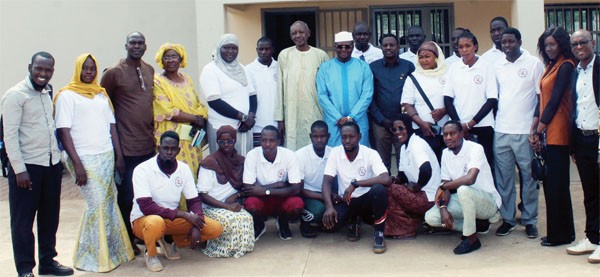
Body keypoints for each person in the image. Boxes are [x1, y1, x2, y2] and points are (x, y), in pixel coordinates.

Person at [54, 53, 134, 272]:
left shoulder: (101, 95)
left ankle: (114, 252)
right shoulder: (67, 95)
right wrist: (76, 163)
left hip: (106, 155)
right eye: (85, 68)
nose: (88, 72)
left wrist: (119, 157)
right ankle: (92, 258)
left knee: (107, 205)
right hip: (83, 157)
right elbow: (63, 131)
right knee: (96, 204)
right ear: (78, 69)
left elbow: (111, 127)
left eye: (92, 69)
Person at [2, 52, 74, 277]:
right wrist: (19, 170)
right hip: (27, 168)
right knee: (23, 222)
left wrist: (59, 161)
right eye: (39, 69)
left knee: (50, 217)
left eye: (48, 70)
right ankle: (25, 269)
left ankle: (47, 262)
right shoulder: (15, 95)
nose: (43, 74)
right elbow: (9, 136)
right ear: (30, 67)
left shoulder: (47, 92)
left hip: (51, 165)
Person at [130, 131, 223, 272]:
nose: (169, 152)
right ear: (158, 148)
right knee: (155, 222)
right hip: (143, 220)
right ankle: (151, 254)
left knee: (215, 229)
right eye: (165, 148)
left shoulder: (183, 169)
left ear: (178, 150)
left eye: (173, 149)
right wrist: (185, 215)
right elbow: (146, 206)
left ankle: (169, 241)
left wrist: (196, 224)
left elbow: (194, 201)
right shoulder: (142, 170)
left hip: (170, 219)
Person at [100, 32, 155, 254]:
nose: (137, 46)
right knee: (126, 197)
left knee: (145, 196)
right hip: (126, 148)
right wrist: (117, 153)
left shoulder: (149, 70)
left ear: (146, 46)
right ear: (125, 45)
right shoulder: (113, 73)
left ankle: (141, 235)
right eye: (133, 42)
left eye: (141, 42)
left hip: (148, 146)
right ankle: (125, 243)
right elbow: (104, 111)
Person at [493, 28, 544, 239]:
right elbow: (495, 98)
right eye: (503, 42)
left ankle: (530, 220)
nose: (506, 45)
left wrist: (535, 129)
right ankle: (508, 219)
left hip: (525, 131)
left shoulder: (533, 63)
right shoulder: (498, 66)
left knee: (529, 177)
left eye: (511, 41)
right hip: (501, 130)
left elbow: (541, 99)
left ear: (519, 41)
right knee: (504, 180)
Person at [424, 121, 502, 255]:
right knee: (431, 217)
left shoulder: (475, 148)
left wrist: (444, 186)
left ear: (462, 134)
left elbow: (470, 179)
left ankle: (471, 238)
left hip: (487, 202)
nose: (448, 137)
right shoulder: (445, 153)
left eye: (452, 133)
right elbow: (445, 185)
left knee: (463, 189)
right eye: (445, 134)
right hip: (465, 201)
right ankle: (476, 225)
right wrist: (443, 209)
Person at [530, 26, 576, 247]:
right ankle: (560, 232)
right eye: (546, 45)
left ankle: (562, 235)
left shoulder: (566, 66)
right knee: (550, 185)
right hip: (547, 130)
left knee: (557, 185)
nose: (548, 48)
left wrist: (539, 130)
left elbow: (556, 100)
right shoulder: (551, 66)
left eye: (552, 44)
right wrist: (535, 128)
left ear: (562, 44)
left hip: (558, 132)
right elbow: (542, 101)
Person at [322, 121, 390, 254]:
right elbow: (326, 182)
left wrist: (356, 184)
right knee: (329, 226)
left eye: (351, 137)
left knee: (379, 189)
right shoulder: (335, 153)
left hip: (367, 200)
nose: (347, 140)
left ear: (359, 136)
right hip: (347, 201)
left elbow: (385, 178)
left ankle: (379, 233)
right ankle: (354, 220)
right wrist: (329, 207)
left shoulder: (370, 153)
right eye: (344, 137)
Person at [566, 29, 599, 263]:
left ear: (593, 43)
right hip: (582, 139)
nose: (579, 47)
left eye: (583, 42)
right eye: (575, 44)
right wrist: (574, 146)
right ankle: (593, 238)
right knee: (590, 193)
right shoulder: (574, 72)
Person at [197, 125, 254, 258]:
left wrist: (237, 195)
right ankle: (220, 249)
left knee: (247, 218)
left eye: (230, 141)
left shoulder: (240, 161)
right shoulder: (210, 162)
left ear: (235, 141)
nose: (226, 144)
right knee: (231, 221)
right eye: (222, 142)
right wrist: (227, 206)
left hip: (230, 206)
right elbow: (202, 195)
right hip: (210, 207)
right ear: (217, 142)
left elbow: (245, 187)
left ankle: (238, 248)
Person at [443, 31, 497, 170]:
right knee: (462, 167)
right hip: (459, 129)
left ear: (475, 46)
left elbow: (491, 99)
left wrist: (471, 123)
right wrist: (459, 125)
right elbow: (447, 98)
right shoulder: (454, 68)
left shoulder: (487, 66)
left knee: (484, 166)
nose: (464, 50)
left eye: (468, 45)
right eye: (461, 47)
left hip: (483, 125)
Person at [153, 43, 208, 177]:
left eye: (174, 56)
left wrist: (201, 117)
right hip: (170, 137)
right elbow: (167, 110)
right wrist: (196, 118)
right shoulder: (157, 82)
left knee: (192, 171)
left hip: (191, 135)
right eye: (167, 57)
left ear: (181, 59)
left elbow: (197, 103)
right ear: (161, 60)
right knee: (173, 173)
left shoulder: (187, 79)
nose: (171, 60)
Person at [242, 126, 304, 240]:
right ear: (260, 141)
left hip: (281, 198)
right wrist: (278, 184)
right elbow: (248, 189)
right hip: (263, 198)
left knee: (297, 204)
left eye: (272, 140)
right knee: (250, 204)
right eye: (264, 140)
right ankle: (259, 225)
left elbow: (296, 189)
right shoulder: (252, 155)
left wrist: (264, 190)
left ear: (279, 141)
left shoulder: (289, 155)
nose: (267, 144)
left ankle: (283, 222)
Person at [275, 20, 329, 150]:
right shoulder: (284, 55)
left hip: (315, 110)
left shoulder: (320, 55)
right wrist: (280, 119)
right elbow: (280, 89)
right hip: (292, 113)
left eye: (301, 32)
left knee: (315, 146)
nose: (297, 36)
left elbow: (327, 87)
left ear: (308, 33)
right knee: (293, 147)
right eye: (294, 33)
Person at [200, 33, 256, 156]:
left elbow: (252, 95)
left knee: (244, 165)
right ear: (219, 48)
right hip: (221, 128)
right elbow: (215, 102)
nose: (230, 51)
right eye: (226, 47)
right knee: (223, 168)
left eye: (234, 48)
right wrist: (243, 117)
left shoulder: (242, 68)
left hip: (244, 128)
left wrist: (251, 116)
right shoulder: (210, 70)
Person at [385, 116, 439, 239]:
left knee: (391, 190)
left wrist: (418, 186)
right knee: (388, 186)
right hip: (421, 194)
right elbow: (403, 175)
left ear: (408, 127)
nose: (398, 132)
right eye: (394, 130)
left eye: (401, 128)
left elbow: (426, 169)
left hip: (430, 197)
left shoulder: (417, 144)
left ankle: (406, 229)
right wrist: (395, 179)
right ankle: (410, 223)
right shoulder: (405, 147)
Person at [317, 31, 373, 147]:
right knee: (334, 156)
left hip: (358, 120)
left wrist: (351, 117)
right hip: (334, 122)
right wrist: (338, 118)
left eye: (347, 46)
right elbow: (322, 95)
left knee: (359, 155)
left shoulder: (363, 67)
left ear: (352, 47)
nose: (344, 49)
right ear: (335, 47)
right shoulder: (325, 68)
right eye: (340, 47)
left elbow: (367, 94)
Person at [370, 33, 415, 171]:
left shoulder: (408, 66)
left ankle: (404, 190)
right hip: (380, 123)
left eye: (392, 45)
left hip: (403, 122)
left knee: (405, 160)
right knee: (382, 163)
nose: (388, 47)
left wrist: (402, 119)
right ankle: (385, 191)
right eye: (385, 45)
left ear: (398, 47)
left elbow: (414, 94)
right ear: (381, 47)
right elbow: (369, 96)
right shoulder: (373, 67)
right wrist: (382, 119)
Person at [401, 41, 449, 160]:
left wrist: (444, 111)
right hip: (422, 130)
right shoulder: (413, 77)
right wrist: (422, 124)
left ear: (437, 57)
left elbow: (455, 99)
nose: (423, 60)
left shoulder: (448, 75)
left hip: (446, 130)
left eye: (427, 57)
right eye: (421, 57)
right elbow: (407, 104)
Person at [295, 120, 332, 238]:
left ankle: (322, 222)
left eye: (323, 136)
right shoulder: (300, 155)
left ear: (329, 136)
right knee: (319, 210)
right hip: (307, 195)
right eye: (316, 136)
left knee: (340, 215)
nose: (319, 140)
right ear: (311, 137)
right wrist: (324, 197)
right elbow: (298, 188)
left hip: (328, 193)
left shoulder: (334, 153)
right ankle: (305, 221)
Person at [246, 37, 278, 147]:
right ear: (256, 50)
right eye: (261, 49)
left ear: (273, 50)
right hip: (257, 126)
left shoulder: (279, 67)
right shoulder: (248, 70)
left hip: (277, 124)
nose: (264, 52)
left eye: (267, 49)